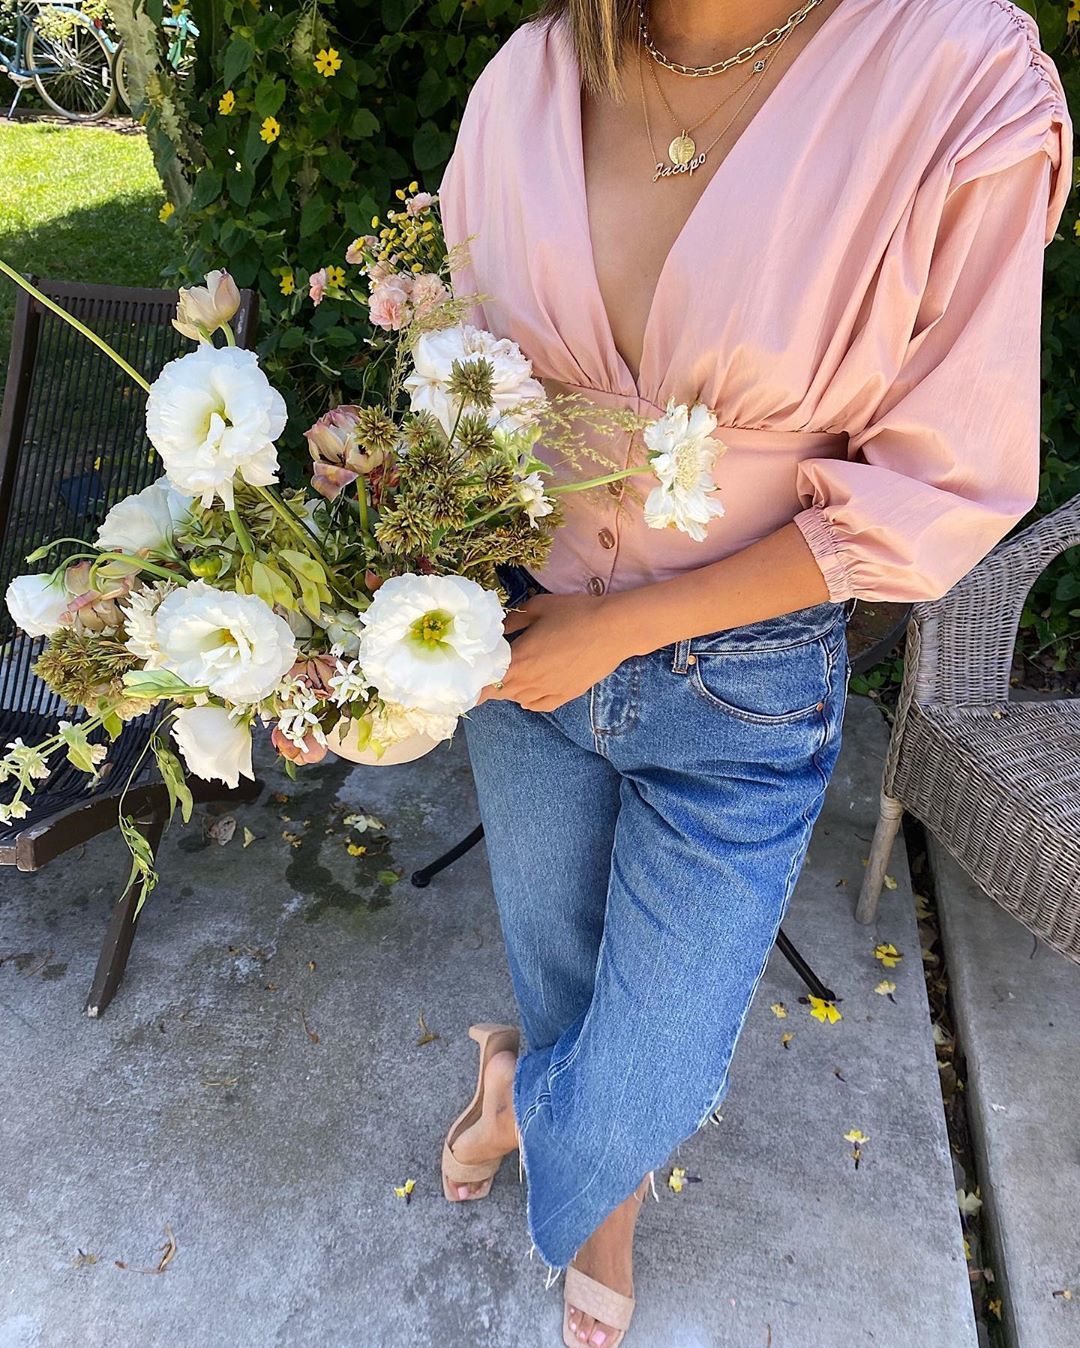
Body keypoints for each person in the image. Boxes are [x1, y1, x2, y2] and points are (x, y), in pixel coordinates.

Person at [435, 1, 1072, 1343]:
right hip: (518, 636)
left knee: (651, 1073)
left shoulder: (958, 79)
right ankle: (601, 1210)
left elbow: (944, 484)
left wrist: (621, 629)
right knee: (563, 980)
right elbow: (463, 391)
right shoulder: (533, 78)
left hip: (743, 685)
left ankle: (518, 1102)